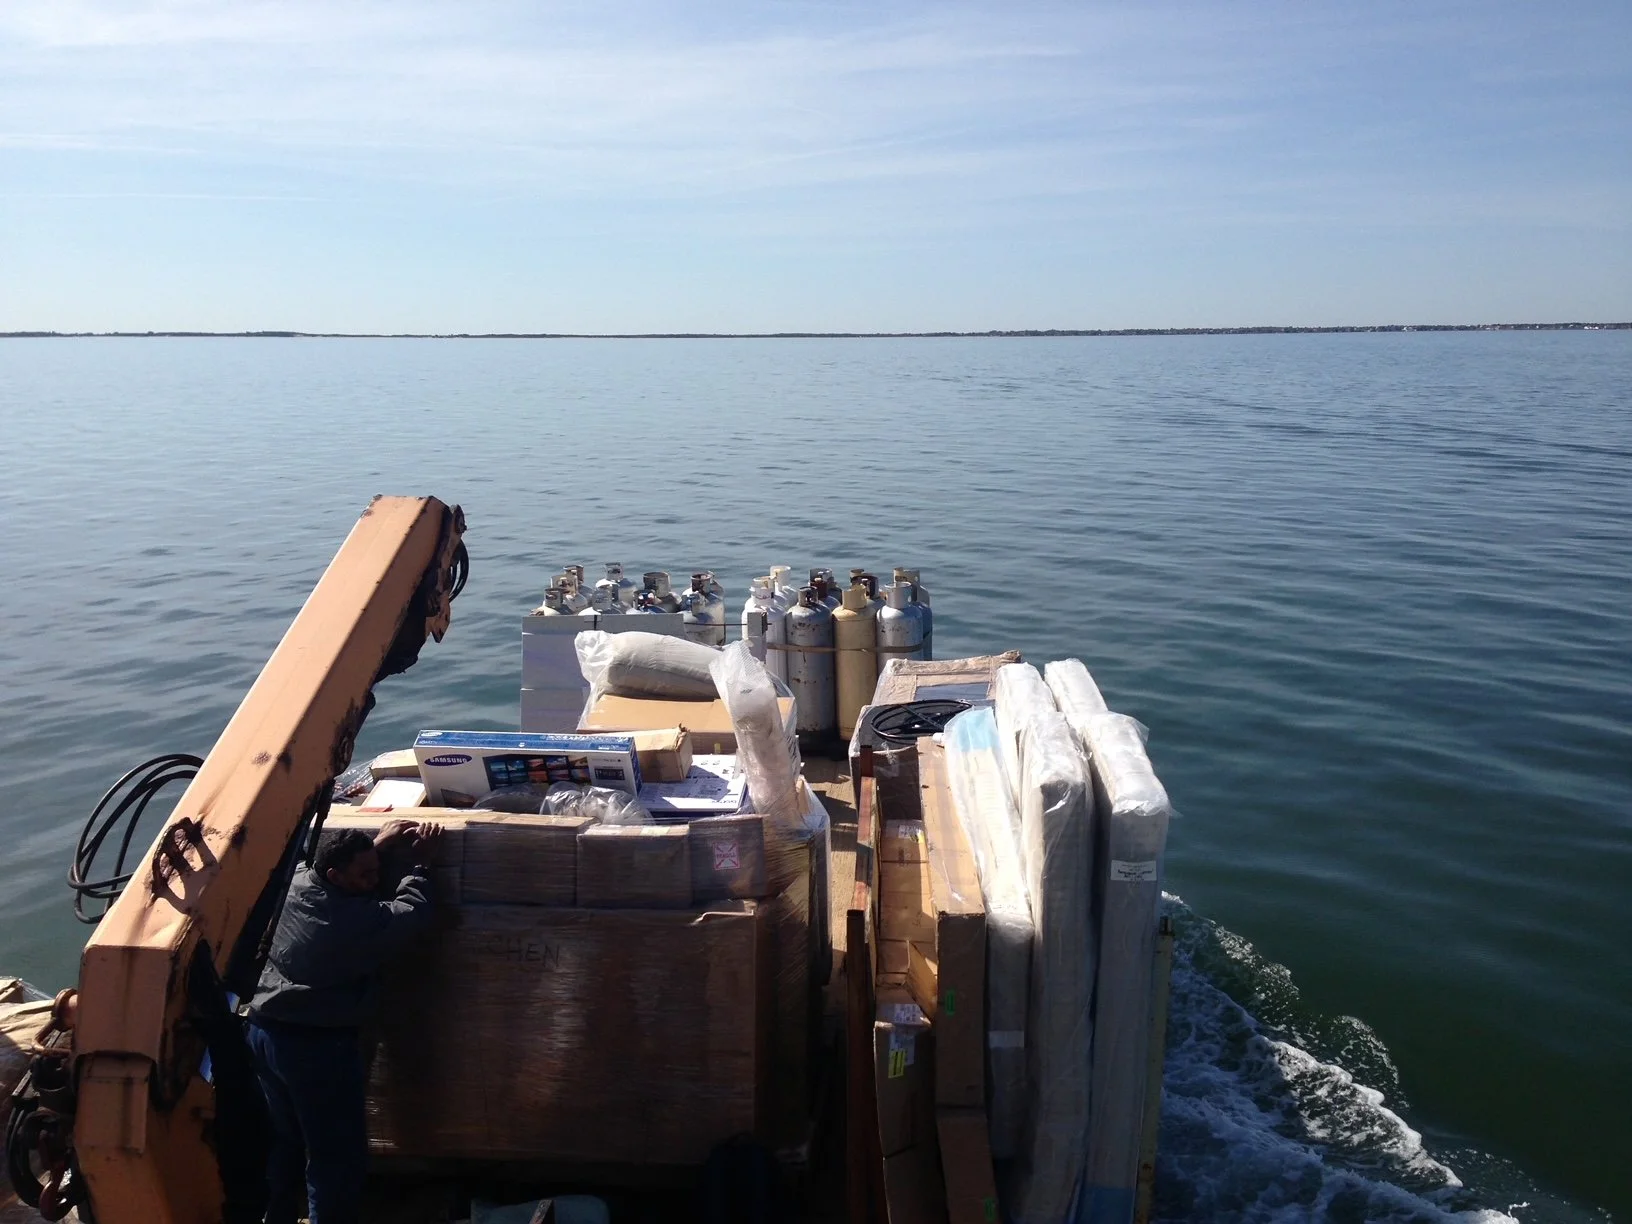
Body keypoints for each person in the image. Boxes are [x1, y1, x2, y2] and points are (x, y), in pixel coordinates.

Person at [245, 818, 442, 1224]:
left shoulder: (298, 881)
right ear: (335, 875)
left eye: (375, 871)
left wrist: (378, 845)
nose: (375, 880)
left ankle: (274, 1216)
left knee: (284, 1141)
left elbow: (345, 877)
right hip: (314, 1049)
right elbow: (411, 913)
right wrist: (422, 867)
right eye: (365, 874)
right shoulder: (351, 921)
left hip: (264, 1032)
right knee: (335, 1157)